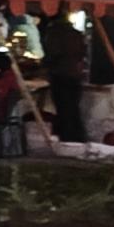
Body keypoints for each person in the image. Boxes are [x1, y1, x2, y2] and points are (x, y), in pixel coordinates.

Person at [42, 13, 89, 143]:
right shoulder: (76, 34)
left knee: (64, 108)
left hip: (60, 74)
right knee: (73, 108)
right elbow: (83, 52)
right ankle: (77, 137)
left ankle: (67, 137)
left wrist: (44, 64)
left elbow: (53, 54)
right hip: (75, 74)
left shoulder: (54, 33)